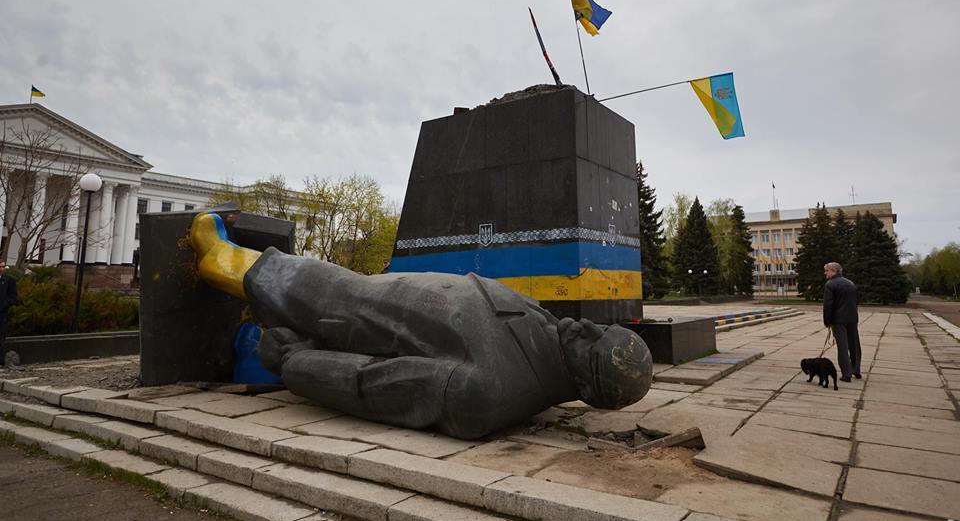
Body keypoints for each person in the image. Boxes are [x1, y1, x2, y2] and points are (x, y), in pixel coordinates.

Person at [189, 212, 653, 439]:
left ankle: (219, 260)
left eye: (595, 343)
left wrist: (296, 362)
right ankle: (253, 338)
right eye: (599, 328)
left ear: (588, 386)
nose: (587, 328)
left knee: (314, 286)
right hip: (377, 291)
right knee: (318, 287)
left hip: (359, 313)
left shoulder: (489, 394)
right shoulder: (547, 330)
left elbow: (372, 384)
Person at [823, 261, 860, 382]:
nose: (825, 273)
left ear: (834, 271)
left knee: (842, 346)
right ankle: (856, 369)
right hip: (852, 318)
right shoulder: (851, 283)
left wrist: (827, 321)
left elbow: (828, 305)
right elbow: (855, 302)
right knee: (854, 344)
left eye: (827, 271)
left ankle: (846, 374)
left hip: (839, 320)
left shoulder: (830, 284)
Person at [0, 260, 19, 367]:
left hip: (2, 313)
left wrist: (5, 304)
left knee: (1, 336)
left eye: (3, 267)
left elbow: (13, 296)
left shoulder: (9, 280)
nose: (1, 269)